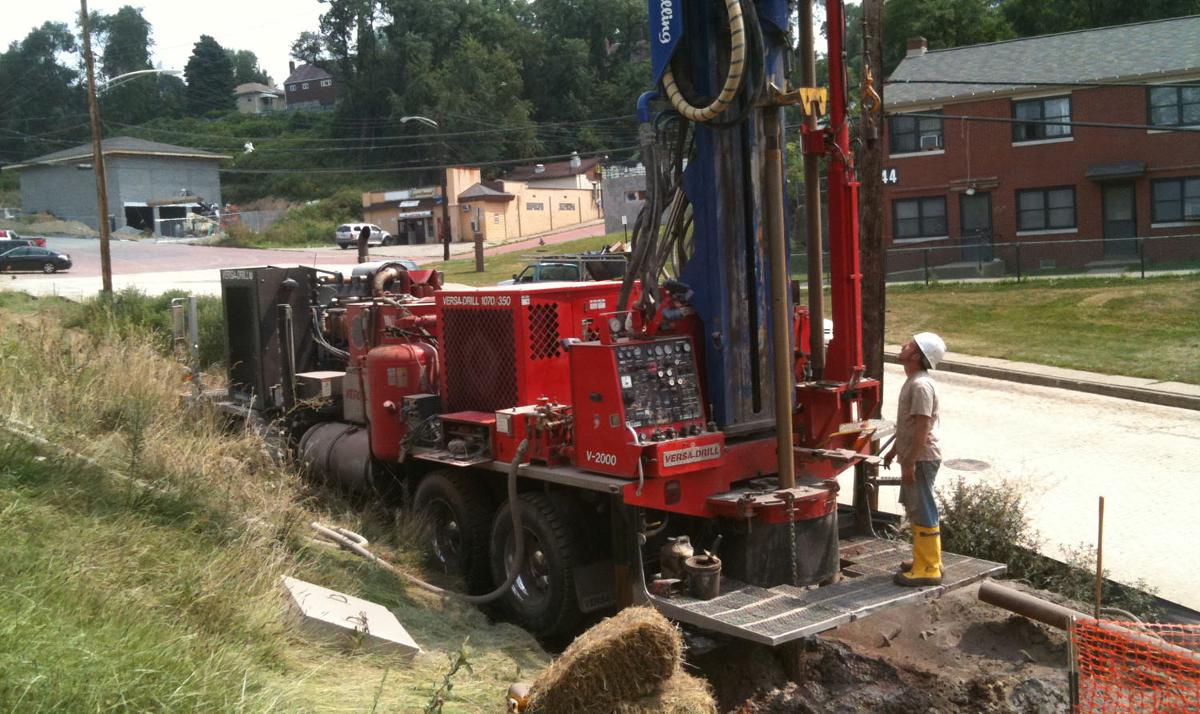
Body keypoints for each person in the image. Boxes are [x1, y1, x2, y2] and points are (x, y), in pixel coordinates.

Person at [884, 332, 947, 587]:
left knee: (923, 508)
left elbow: (922, 427)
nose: (903, 345)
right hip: (914, 456)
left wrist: (909, 461)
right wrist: (895, 451)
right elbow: (908, 426)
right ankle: (926, 560)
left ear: (917, 356)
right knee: (916, 507)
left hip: (921, 458)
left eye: (910, 345)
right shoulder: (914, 381)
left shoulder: (921, 386)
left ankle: (929, 569)